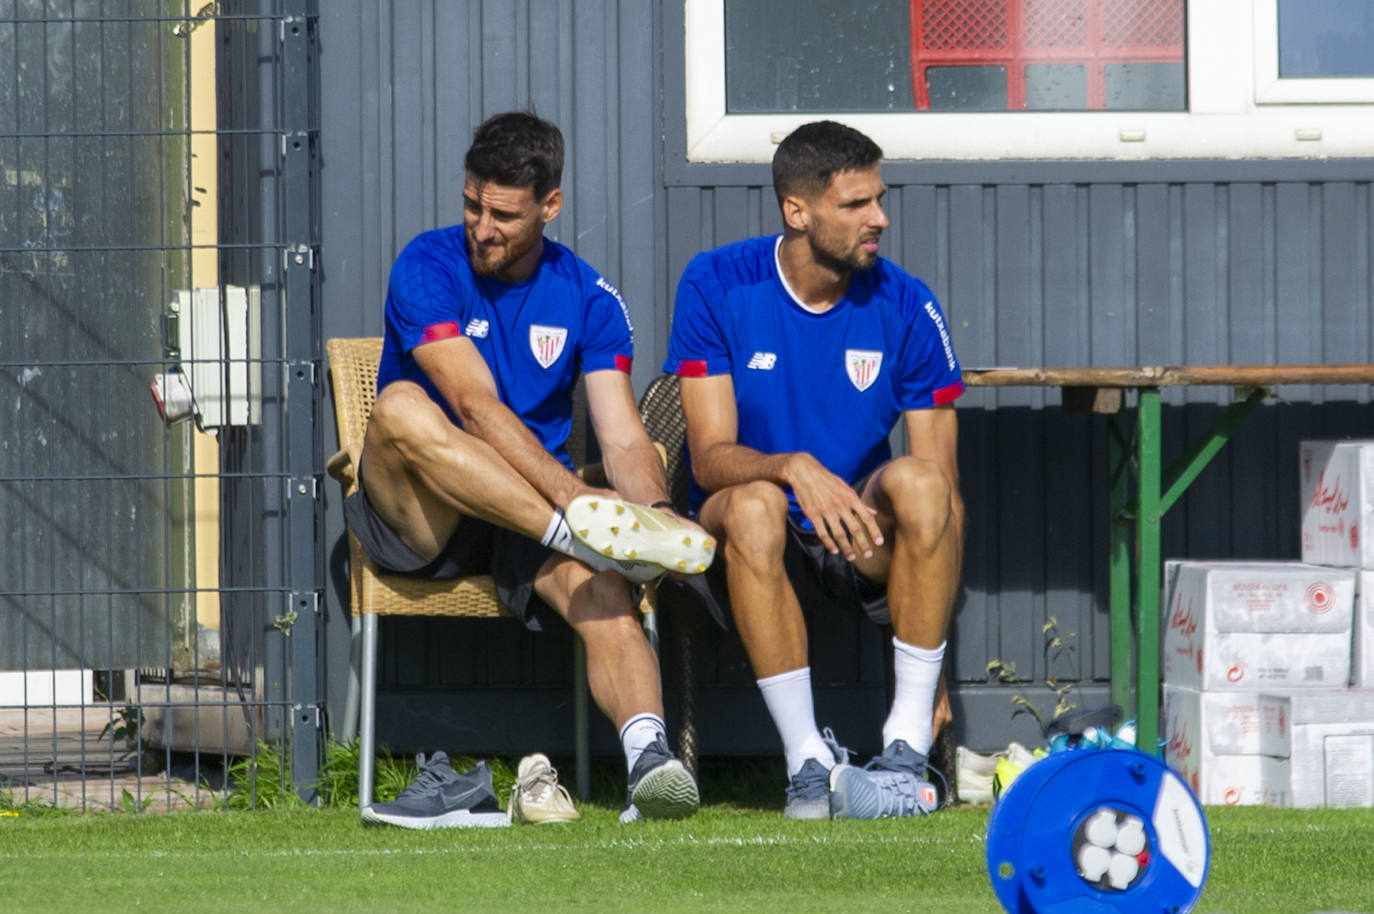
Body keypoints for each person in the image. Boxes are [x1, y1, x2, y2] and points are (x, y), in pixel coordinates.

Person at [345, 111, 711, 827]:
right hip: (422, 511)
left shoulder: (590, 298)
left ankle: (650, 763)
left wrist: (655, 515)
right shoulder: (426, 262)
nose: (482, 227)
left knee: (604, 593)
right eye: (472, 205)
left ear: (551, 206)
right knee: (399, 407)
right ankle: (584, 540)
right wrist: (579, 508)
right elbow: (474, 407)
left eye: (504, 215)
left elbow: (625, 439)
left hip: (525, 510)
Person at [664, 120, 965, 820]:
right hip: (739, 527)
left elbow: (944, 499)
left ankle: (905, 754)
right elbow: (709, 459)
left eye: (878, 200)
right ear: (797, 212)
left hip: (854, 533)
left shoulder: (908, 303)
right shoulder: (716, 282)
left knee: (924, 486)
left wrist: (940, 664)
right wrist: (794, 468)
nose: (879, 219)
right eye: (856, 205)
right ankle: (807, 764)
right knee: (753, 505)